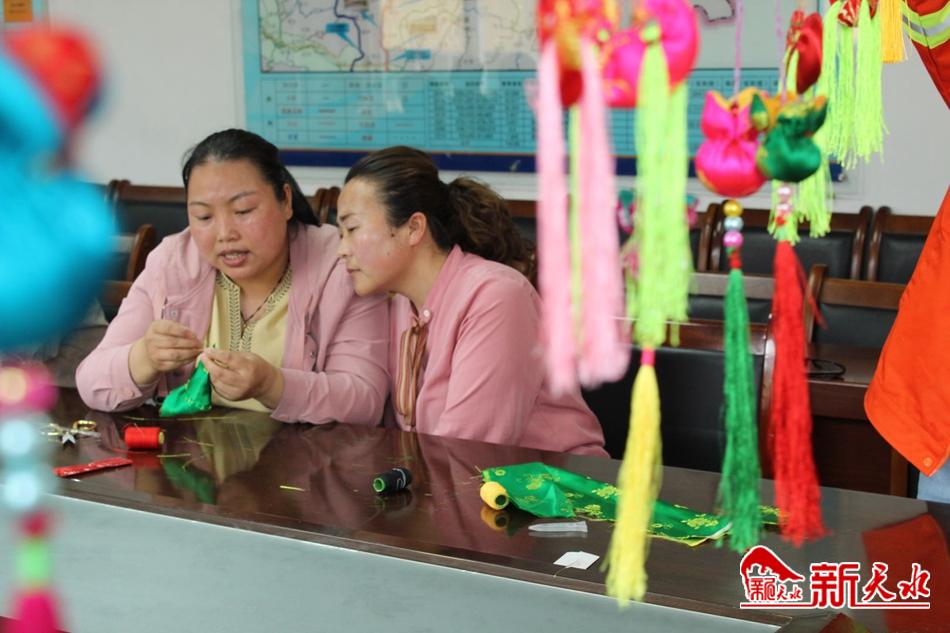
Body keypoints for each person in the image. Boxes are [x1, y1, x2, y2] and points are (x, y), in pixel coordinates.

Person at [76, 129, 389, 425]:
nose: (225, 233)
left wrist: (271, 385)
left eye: (243, 211)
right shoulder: (173, 262)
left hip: (308, 459)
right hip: (189, 457)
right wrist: (144, 357)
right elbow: (91, 382)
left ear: (285, 201)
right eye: (204, 216)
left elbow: (365, 402)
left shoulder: (341, 264)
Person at [335, 146, 607, 456]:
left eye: (352, 229)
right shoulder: (401, 304)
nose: (342, 250)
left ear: (414, 228)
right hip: (460, 480)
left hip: (550, 481)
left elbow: (468, 451)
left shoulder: (496, 297)